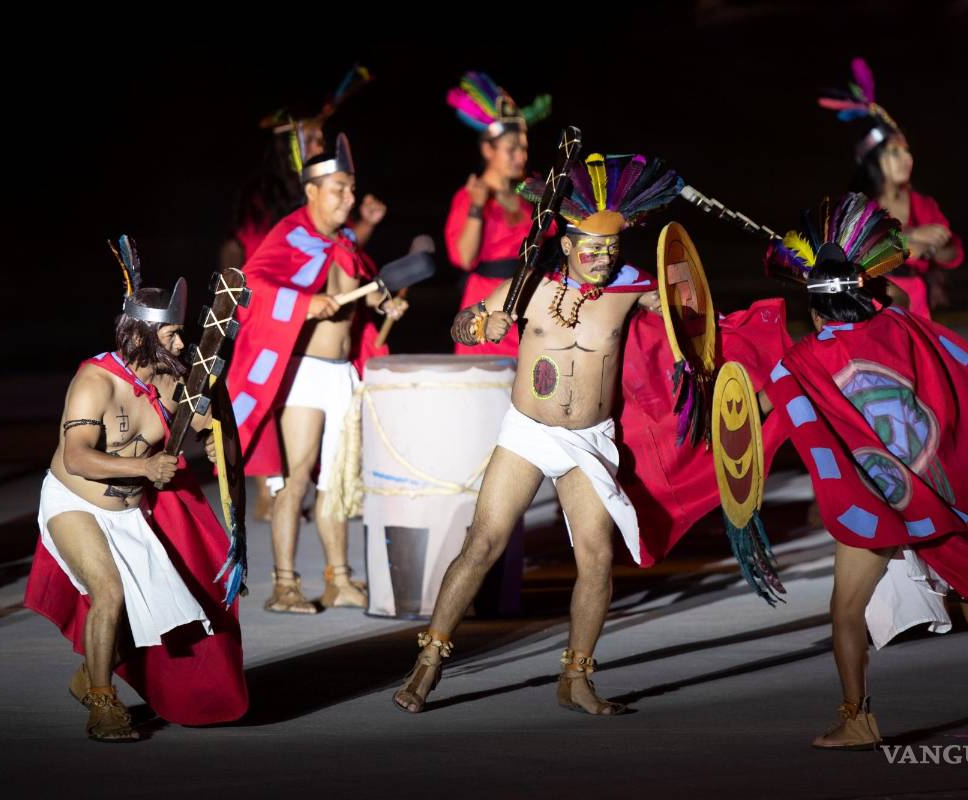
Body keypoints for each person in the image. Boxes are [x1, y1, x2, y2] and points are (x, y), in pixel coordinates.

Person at [393, 152, 683, 715]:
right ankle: (426, 664)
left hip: (589, 441)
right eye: (591, 249)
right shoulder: (529, 286)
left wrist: (684, 289)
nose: (603, 259)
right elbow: (460, 323)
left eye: (612, 249)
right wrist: (484, 324)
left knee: (596, 559)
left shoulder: (631, 287)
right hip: (528, 434)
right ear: (568, 245)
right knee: (482, 544)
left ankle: (575, 679)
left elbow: (686, 310)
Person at [759, 193, 968, 749]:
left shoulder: (802, 361)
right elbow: (906, 305)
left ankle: (857, 718)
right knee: (967, 574)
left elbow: (756, 411)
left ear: (815, 310)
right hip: (932, 485)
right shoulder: (901, 324)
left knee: (846, 612)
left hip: (877, 498)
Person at [24, 242, 247, 741]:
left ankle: (88, 676)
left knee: (152, 614)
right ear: (142, 335)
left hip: (131, 513)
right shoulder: (95, 381)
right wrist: (145, 465)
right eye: (170, 334)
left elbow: (209, 425)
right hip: (75, 503)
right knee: (110, 592)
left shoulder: (171, 381)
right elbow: (77, 456)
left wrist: (218, 441)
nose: (180, 343)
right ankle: (103, 704)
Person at [226, 134, 407, 614]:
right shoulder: (291, 234)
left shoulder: (343, 241)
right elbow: (252, 284)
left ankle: (338, 580)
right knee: (296, 480)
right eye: (339, 188)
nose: (349, 197)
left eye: (351, 187)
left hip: (341, 375)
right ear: (312, 191)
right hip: (303, 373)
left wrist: (383, 302)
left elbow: (362, 285)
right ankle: (285, 585)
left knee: (336, 481)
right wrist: (305, 303)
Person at [819, 58, 964, 317]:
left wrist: (937, 245)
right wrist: (911, 237)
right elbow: (850, 252)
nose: (907, 159)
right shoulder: (856, 207)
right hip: (872, 299)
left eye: (907, 151)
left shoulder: (922, 204)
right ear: (875, 161)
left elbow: (953, 254)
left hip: (916, 302)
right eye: (895, 152)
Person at [444, 71, 550, 355]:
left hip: (530, 296)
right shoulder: (470, 196)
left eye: (524, 148)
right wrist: (477, 207)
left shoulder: (530, 193)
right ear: (488, 149)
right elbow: (464, 259)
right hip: (488, 301)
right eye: (511, 149)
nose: (521, 156)